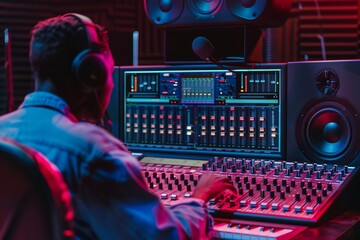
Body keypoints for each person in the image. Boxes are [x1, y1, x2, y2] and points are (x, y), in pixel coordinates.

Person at [0, 13, 236, 239]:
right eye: (109, 72)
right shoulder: (92, 150)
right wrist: (198, 198)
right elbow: (162, 236)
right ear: (93, 74)